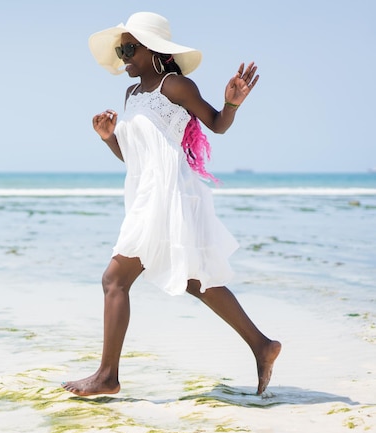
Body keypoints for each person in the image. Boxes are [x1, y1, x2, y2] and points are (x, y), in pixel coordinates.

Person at [63, 12, 281, 397]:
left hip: (170, 195)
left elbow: (216, 123)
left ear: (151, 50)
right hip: (147, 192)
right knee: (197, 281)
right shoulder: (130, 95)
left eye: (129, 48)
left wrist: (232, 104)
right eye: (121, 49)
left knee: (114, 280)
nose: (123, 56)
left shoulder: (175, 85)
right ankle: (262, 346)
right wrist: (109, 138)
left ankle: (107, 377)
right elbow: (136, 157)